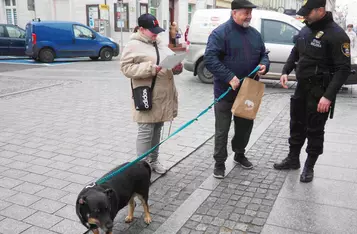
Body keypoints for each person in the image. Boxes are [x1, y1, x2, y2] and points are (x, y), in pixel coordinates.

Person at [273, 0, 351, 182]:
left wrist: (328, 96)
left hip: (320, 91)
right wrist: (286, 70)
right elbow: (296, 51)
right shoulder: (306, 28)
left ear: (321, 10)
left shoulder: (338, 35)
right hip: (301, 88)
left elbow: (343, 69)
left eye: (308, 12)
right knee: (296, 124)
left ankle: (309, 166)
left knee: (315, 128)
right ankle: (293, 159)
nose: (305, 16)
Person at [204, 0, 270, 179]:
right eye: (245, 12)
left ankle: (239, 154)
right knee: (222, 129)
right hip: (225, 92)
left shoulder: (255, 34)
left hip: (248, 91)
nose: (249, 16)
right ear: (234, 13)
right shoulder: (220, 33)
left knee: (244, 127)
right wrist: (229, 77)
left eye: (250, 13)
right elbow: (210, 59)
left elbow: (264, 54)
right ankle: (219, 163)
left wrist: (264, 64)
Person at [120, 13, 183, 174]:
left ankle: (154, 161)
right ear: (141, 29)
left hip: (163, 96)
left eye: (157, 30)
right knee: (146, 131)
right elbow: (125, 69)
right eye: (152, 31)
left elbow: (169, 59)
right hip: (146, 95)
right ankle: (141, 168)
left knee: (157, 128)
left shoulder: (160, 42)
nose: (156, 34)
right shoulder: (133, 45)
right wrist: (149, 68)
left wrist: (176, 66)